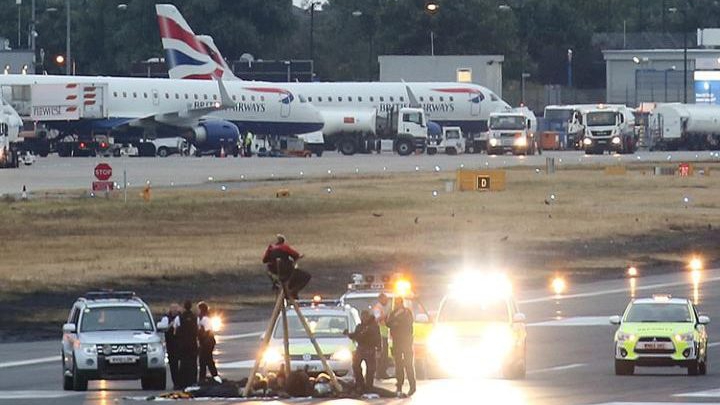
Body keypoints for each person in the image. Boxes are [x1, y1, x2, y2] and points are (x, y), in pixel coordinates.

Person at [262, 234, 310, 299]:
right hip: (286, 271)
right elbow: (295, 255)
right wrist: (299, 256)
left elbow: (264, 260)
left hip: (274, 272)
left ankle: (280, 288)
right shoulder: (285, 247)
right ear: (283, 241)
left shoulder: (270, 248)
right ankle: (293, 291)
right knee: (306, 276)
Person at [345, 310, 381, 394]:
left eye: (365, 317)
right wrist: (349, 334)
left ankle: (369, 386)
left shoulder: (373, 326)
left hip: (370, 349)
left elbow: (377, 338)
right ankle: (360, 383)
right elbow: (356, 336)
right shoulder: (360, 326)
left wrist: (379, 349)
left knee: (370, 369)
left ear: (368, 317)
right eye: (362, 317)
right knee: (355, 365)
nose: (363, 318)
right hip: (361, 348)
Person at [386, 297, 416, 398]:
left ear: (401, 303)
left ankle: (412, 386)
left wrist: (397, 322)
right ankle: (399, 385)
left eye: (398, 303)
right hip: (397, 342)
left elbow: (407, 323)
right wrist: (395, 321)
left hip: (406, 342)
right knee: (398, 365)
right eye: (396, 303)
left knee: (408, 365)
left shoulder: (407, 312)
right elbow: (388, 323)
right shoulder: (393, 312)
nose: (396, 305)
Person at [174, 300, 198, 388]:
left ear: (184, 307)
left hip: (183, 344)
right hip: (193, 343)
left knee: (183, 363)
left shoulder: (179, 318)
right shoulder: (195, 317)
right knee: (193, 363)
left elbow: (175, 331)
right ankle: (193, 381)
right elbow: (197, 330)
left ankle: (182, 382)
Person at [197, 301, 222, 384]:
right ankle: (212, 376)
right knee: (207, 360)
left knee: (205, 360)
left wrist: (202, 339)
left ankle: (206, 378)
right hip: (205, 342)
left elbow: (208, 331)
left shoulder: (205, 319)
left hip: (208, 341)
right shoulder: (202, 318)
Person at [160, 303, 181, 389]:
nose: (175, 310)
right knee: (173, 365)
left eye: (176, 308)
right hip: (171, 344)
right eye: (173, 308)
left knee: (182, 364)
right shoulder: (166, 318)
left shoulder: (181, 317)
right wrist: (171, 324)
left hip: (180, 344)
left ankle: (181, 382)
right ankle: (176, 383)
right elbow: (164, 329)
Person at [372, 293, 390, 379]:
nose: (386, 300)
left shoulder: (386, 306)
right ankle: (379, 373)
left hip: (386, 333)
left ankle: (383, 372)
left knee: (385, 355)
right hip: (380, 334)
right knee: (381, 355)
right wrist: (386, 315)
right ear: (380, 299)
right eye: (385, 299)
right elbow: (377, 318)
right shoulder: (377, 308)